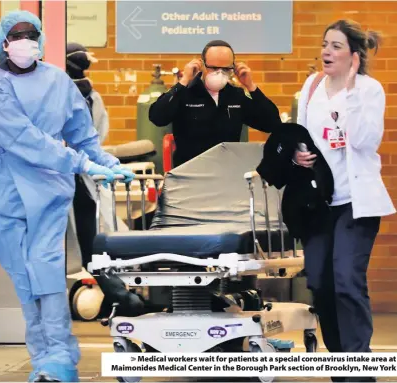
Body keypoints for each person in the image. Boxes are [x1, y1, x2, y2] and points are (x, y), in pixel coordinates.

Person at [0, 10, 134, 382]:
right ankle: (44, 355)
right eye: (17, 35)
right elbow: (24, 139)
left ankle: (58, 359)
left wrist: (104, 160)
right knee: (25, 279)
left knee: (46, 272)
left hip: (47, 189)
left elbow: (82, 131)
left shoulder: (58, 80)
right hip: (4, 191)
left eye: (32, 33)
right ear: (3, 43)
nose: (25, 40)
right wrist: (81, 164)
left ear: (41, 39)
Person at [295, 19, 395, 381]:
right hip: (320, 203)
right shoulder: (312, 85)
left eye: (336, 46)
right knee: (320, 284)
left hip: (357, 203)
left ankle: (358, 369)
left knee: (347, 281)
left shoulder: (369, 90)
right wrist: (297, 154)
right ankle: (342, 365)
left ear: (354, 56)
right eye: (325, 44)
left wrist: (351, 92)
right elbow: (300, 132)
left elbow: (365, 141)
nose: (326, 52)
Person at [149, 40, 281, 167]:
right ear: (202, 65)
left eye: (226, 69)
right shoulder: (185, 94)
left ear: (232, 69)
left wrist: (251, 86)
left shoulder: (236, 96)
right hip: (190, 173)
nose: (219, 73)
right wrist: (183, 81)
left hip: (226, 173)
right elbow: (157, 117)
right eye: (213, 68)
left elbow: (271, 124)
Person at [66, 42, 108, 271]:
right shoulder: (92, 96)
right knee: (83, 233)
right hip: (78, 173)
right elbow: (100, 131)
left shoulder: (91, 97)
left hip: (79, 175)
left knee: (83, 233)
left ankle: (91, 281)